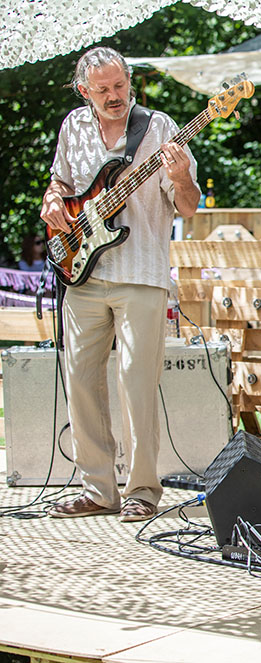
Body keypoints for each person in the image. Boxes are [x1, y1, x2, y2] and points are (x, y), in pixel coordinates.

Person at [39, 47, 200, 522]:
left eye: (120, 86)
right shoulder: (74, 126)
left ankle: (143, 490)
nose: (114, 96)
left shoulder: (160, 127)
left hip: (141, 273)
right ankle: (97, 490)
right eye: (103, 89)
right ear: (83, 90)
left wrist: (182, 175)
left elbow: (187, 206)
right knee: (81, 383)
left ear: (131, 81)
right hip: (82, 273)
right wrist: (52, 203)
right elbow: (60, 185)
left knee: (136, 383)